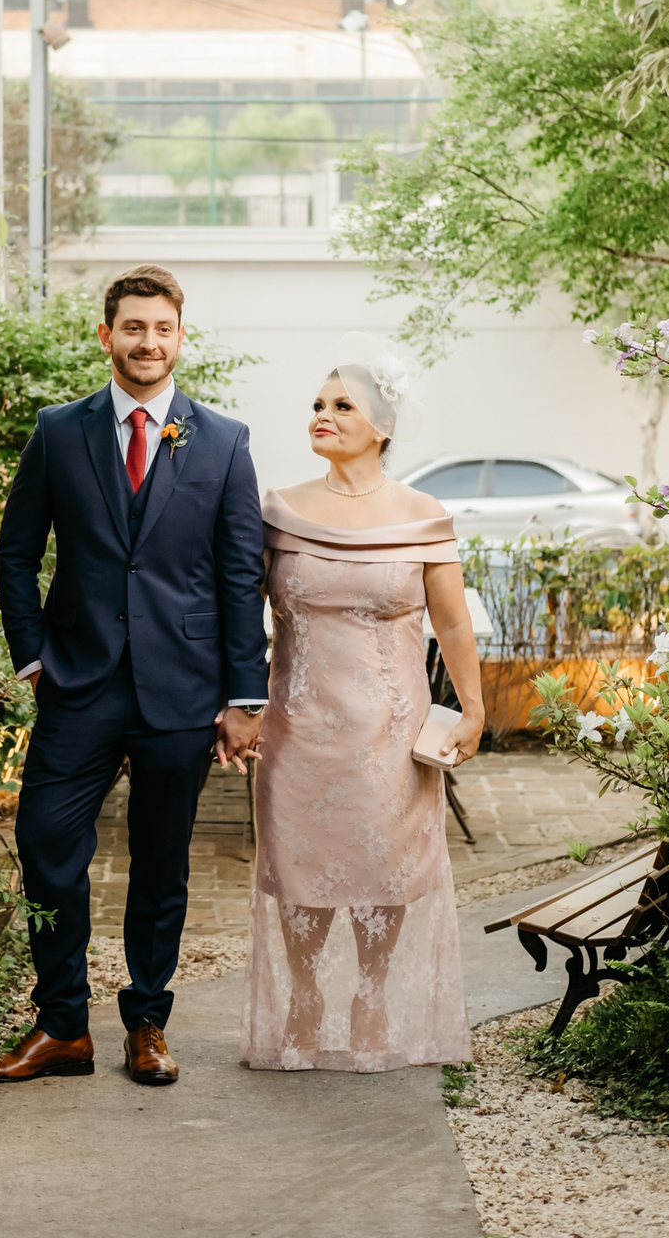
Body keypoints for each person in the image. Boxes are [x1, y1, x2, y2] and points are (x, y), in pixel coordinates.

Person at [0, 264, 269, 1088]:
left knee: (162, 861)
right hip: (78, 682)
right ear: (107, 337)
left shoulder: (224, 442)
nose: (148, 342)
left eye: (162, 328)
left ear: (180, 337)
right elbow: (16, 553)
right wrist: (32, 655)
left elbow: (241, 576)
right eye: (133, 328)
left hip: (183, 690)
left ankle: (146, 1023)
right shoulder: (60, 432)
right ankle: (63, 1025)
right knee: (45, 841)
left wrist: (247, 696)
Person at [241, 332, 483, 1073]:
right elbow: (233, 610)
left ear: (380, 427)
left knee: (386, 872)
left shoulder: (423, 515)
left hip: (390, 733)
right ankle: (306, 995)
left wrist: (472, 709)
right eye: (317, 404)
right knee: (300, 869)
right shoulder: (278, 512)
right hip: (299, 729)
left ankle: (371, 995)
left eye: (342, 405)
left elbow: (451, 620)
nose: (323, 414)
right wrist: (236, 700)